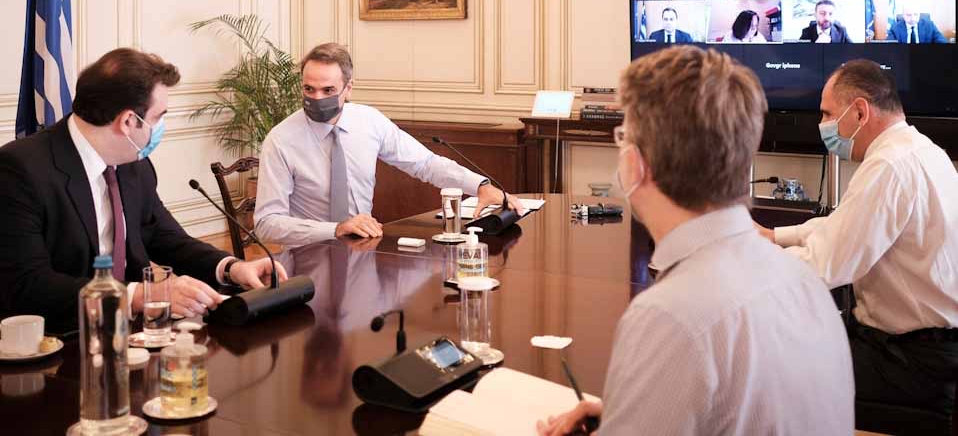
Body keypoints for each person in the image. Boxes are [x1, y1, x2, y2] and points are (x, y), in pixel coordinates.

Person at [538, 46, 853, 436]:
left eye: (623, 137)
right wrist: (628, 410)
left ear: (635, 165)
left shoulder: (668, 315)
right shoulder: (804, 281)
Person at [0, 49, 284, 333]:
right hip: (58, 337)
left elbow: (164, 236)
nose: (160, 127)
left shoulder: (135, 164)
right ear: (128, 121)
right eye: (158, 117)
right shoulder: (20, 169)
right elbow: (29, 285)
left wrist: (231, 267)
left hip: (131, 334)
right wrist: (139, 295)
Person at [756, 60, 958, 430]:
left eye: (827, 114)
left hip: (913, 361)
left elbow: (824, 266)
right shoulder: (920, 149)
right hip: (927, 348)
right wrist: (774, 237)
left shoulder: (889, 167)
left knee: (770, 371)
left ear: (860, 112)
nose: (822, 125)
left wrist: (748, 261)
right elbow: (846, 226)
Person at [254, 43, 523, 246]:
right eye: (308, 89)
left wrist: (480, 186)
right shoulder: (281, 140)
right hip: (307, 258)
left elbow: (425, 164)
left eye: (328, 90)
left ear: (348, 88)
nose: (316, 98)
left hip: (363, 249)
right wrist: (334, 229)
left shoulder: (368, 121)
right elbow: (266, 224)